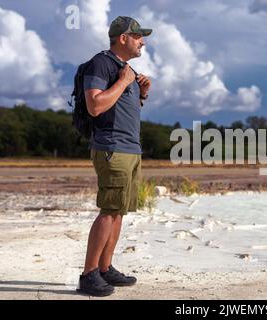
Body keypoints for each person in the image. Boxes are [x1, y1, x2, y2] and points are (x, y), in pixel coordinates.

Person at [77, 16, 152, 297]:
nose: (142, 41)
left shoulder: (127, 70)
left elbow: (121, 110)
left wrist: (141, 93)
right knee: (109, 211)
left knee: (118, 211)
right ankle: (88, 275)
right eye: (138, 36)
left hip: (130, 149)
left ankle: (105, 269)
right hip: (112, 149)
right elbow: (95, 105)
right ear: (123, 38)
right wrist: (123, 81)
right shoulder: (102, 64)